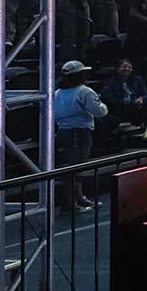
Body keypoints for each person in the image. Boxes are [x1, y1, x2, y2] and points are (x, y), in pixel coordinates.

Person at [51, 60, 107, 211]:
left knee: (75, 168)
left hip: (62, 132)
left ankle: (80, 199)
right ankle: (70, 205)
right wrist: (103, 105)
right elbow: (99, 112)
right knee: (75, 170)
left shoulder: (56, 93)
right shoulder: (84, 91)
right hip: (80, 132)